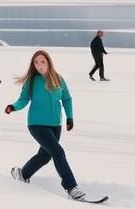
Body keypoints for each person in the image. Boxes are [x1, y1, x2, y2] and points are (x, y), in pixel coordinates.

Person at [5, 50, 86, 200]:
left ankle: (23, 174)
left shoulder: (58, 79)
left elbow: (67, 99)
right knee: (58, 152)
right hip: (36, 124)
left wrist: (70, 118)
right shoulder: (31, 81)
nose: (39, 65)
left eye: (42, 62)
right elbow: (23, 99)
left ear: (48, 62)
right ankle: (71, 187)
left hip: (55, 124)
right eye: (36, 62)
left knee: (44, 156)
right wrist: (13, 106)